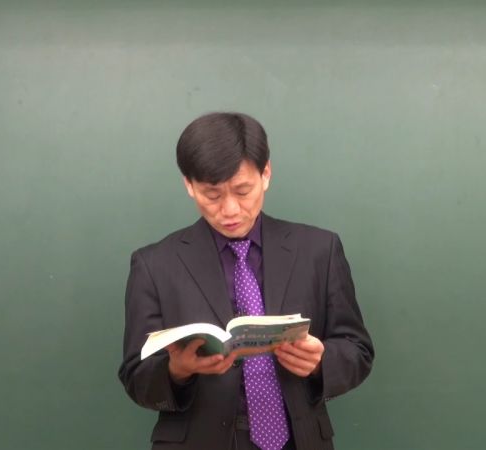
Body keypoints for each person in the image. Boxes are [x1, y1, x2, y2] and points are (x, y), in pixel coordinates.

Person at [118, 112, 374, 450]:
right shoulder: (154, 264)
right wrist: (177, 371)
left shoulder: (319, 250)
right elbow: (136, 377)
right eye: (212, 195)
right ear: (189, 185)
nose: (230, 210)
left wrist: (321, 362)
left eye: (243, 191)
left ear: (266, 174)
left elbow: (357, 349)